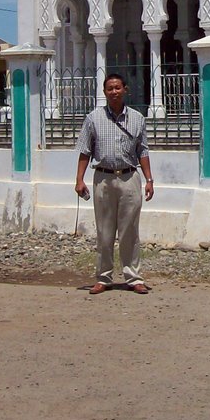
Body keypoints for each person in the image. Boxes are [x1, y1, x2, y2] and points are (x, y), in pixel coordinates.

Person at [74, 72, 155, 295]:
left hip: (130, 178)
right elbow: (84, 150)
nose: (114, 92)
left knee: (130, 231)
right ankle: (103, 277)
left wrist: (149, 179)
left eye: (118, 87)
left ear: (125, 90)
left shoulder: (137, 118)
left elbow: (143, 150)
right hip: (103, 179)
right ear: (104, 92)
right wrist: (79, 179)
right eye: (110, 88)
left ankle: (133, 277)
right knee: (104, 231)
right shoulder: (93, 118)